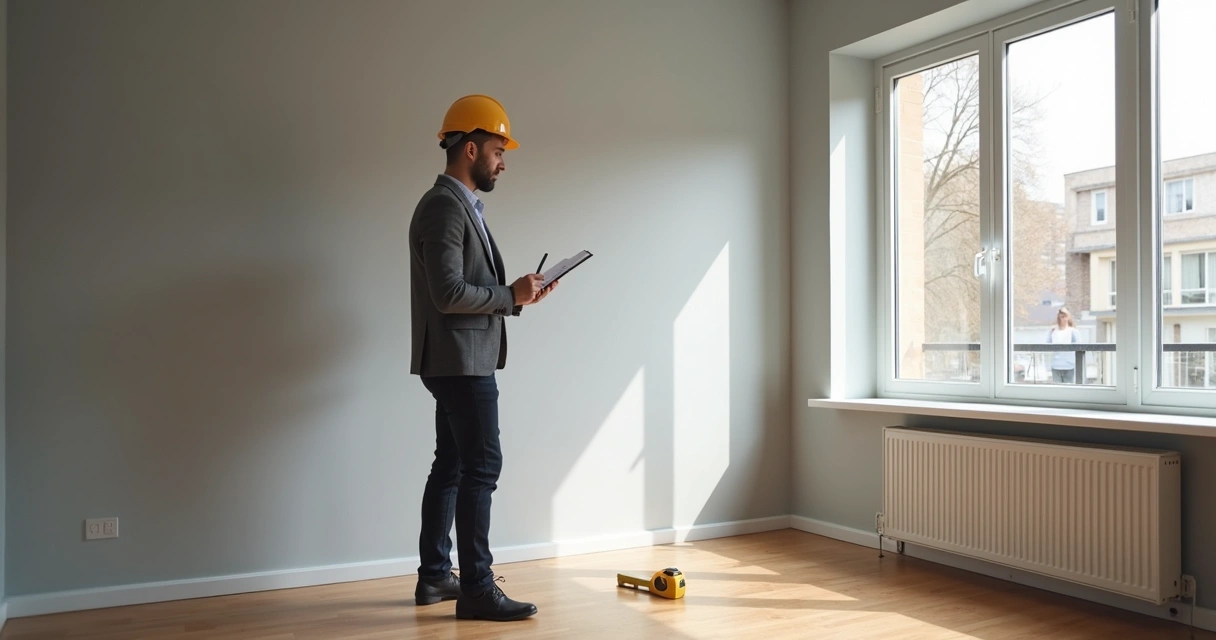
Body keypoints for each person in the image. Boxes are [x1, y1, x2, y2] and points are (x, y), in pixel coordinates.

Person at [408, 94, 555, 622]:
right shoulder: (445, 206)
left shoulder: (456, 205)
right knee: (482, 465)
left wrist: (517, 297)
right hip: (460, 362)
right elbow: (448, 292)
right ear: (470, 148)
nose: (502, 161)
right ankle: (475, 587)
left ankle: (434, 578)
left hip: (457, 357)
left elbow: (463, 289)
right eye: (497, 149)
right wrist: (507, 295)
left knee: (451, 463)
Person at [1047, 307, 1079, 384]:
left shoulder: (1073, 331)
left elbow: (1078, 346)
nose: (1063, 319)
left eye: (1064, 316)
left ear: (1068, 317)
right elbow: (1047, 345)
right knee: (1057, 389)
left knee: (1069, 388)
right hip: (1056, 365)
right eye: (1061, 317)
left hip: (1069, 365)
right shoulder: (1053, 331)